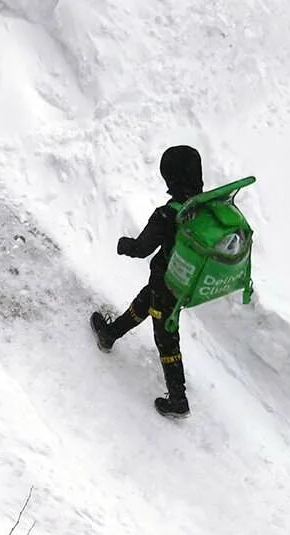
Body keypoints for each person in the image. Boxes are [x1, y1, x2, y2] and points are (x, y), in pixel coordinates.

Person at [90, 145, 204, 419]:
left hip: (167, 284)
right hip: (185, 283)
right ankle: (109, 335)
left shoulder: (168, 214)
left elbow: (142, 248)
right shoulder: (207, 205)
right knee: (144, 302)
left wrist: (124, 245)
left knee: (166, 338)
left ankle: (178, 400)